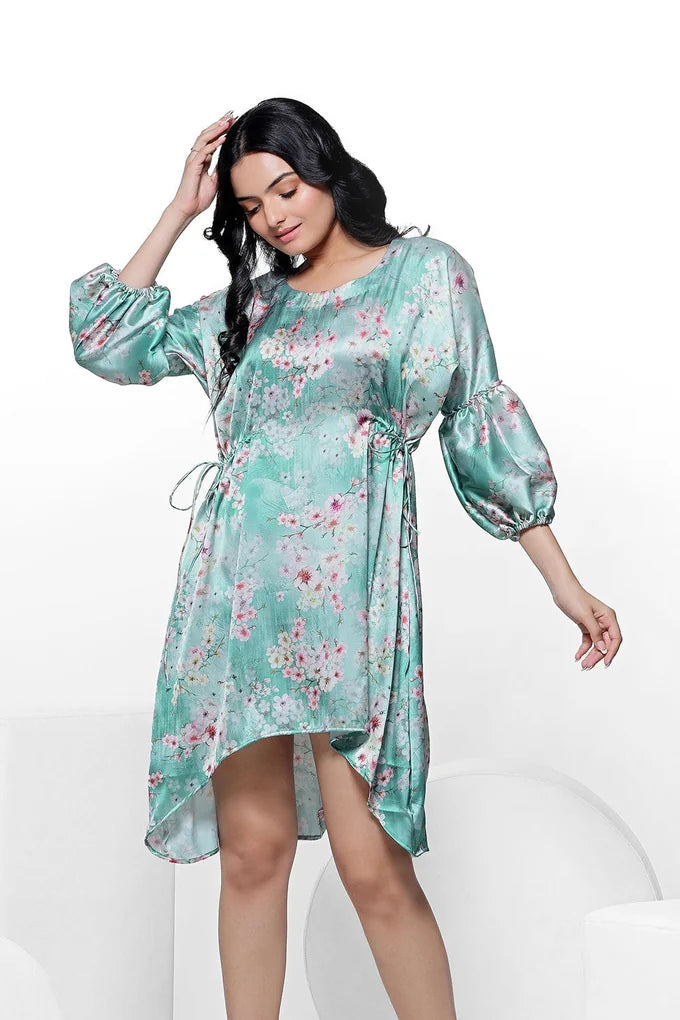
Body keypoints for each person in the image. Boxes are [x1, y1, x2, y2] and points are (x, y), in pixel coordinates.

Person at [68, 97, 622, 1020]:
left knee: (373, 868)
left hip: (353, 608)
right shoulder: (249, 307)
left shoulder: (423, 278)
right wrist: (179, 207)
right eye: (252, 207)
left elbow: (478, 419)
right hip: (237, 605)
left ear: (326, 168)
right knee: (252, 858)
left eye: (287, 188)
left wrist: (564, 582)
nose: (275, 217)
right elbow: (104, 340)